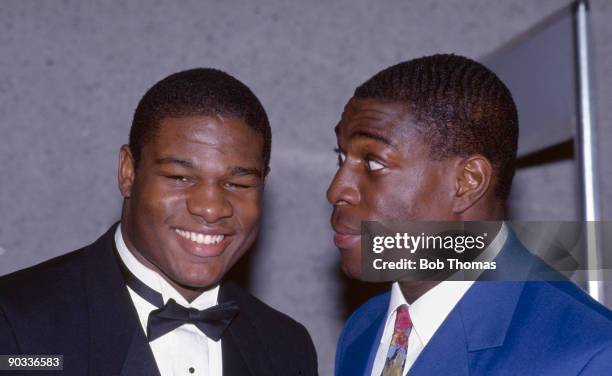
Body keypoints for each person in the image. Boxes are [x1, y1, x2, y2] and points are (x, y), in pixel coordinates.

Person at [0, 68, 318, 376]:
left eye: (238, 184)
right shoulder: (15, 323)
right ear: (128, 173)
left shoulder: (287, 347)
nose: (210, 208)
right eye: (180, 177)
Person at [328, 54, 612, 375]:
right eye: (341, 158)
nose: (337, 190)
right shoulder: (364, 329)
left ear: (467, 182)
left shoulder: (590, 356)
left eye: (374, 163)